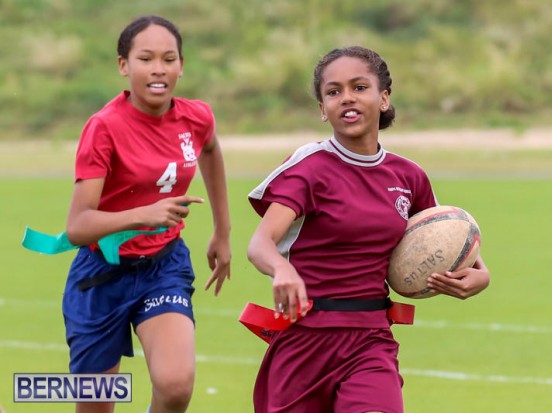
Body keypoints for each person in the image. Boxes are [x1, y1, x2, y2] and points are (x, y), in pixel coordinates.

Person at [246, 46, 490, 413]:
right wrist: (281, 269)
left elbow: (450, 236)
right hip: (304, 340)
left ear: (384, 98)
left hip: (371, 340)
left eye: (359, 87)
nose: (347, 98)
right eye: (333, 92)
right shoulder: (309, 168)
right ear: (322, 109)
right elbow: (260, 243)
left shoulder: (408, 176)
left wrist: (481, 276)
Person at [62, 15, 231, 413]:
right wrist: (142, 215)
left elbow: (210, 149)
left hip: (163, 268)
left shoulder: (197, 117)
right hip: (100, 277)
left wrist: (222, 232)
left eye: (169, 59)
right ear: (124, 65)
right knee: (96, 405)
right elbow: (77, 227)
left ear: (181, 66)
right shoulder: (103, 128)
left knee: (175, 387)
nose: (159, 69)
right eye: (146, 59)